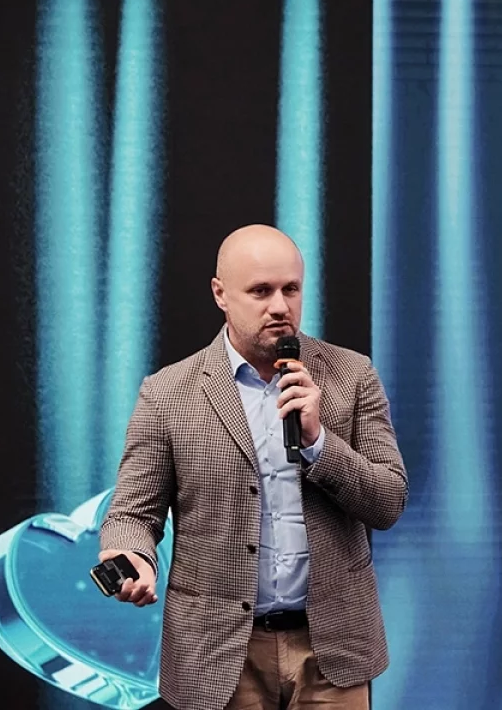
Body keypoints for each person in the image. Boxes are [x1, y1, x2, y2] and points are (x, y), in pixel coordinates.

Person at [98, 224, 408, 710]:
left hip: (333, 650)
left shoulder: (352, 375)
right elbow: (132, 514)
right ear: (220, 294)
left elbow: (388, 502)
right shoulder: (167, 393)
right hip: (217, 652)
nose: (280, 306)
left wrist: (319, 442)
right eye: (261, 291)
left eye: (291, 289)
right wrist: (131, 553)